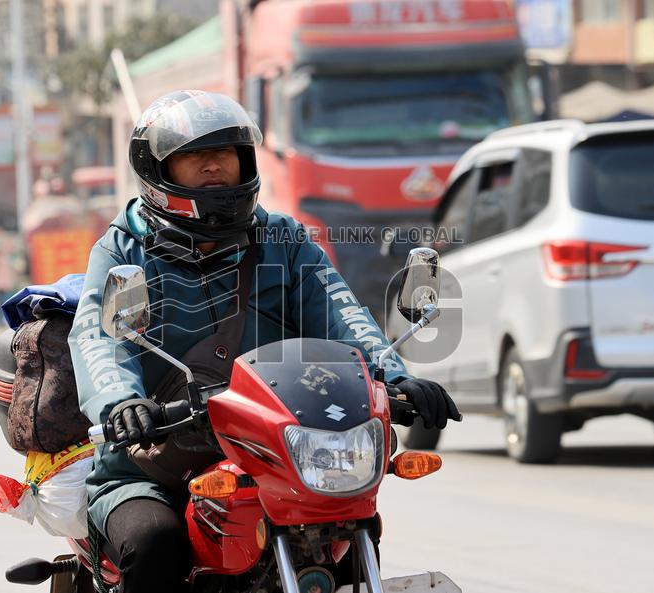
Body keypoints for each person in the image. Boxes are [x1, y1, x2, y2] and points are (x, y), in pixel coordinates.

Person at [67, 90, 459, 593]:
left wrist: (396, 377)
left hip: (273, 456)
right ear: (157, 171)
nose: (213, 166)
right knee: (153, 543)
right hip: (154, 459)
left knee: (347, 529)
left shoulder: (284, 241)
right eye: (193, 155)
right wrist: (122, 404)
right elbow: (100, 337)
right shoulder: (123, 248)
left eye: (224, 152)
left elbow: (341, 313)